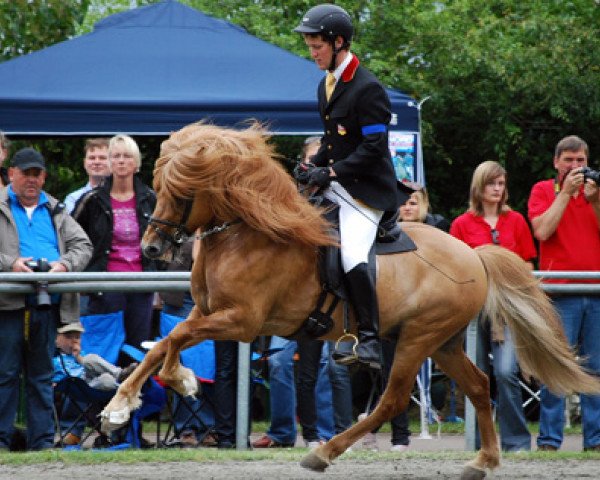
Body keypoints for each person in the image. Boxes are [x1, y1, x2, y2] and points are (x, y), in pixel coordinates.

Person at [294, 4, 401, 370]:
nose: (313, 53)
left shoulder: (368, 88)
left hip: (366, 191)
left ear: (338, 42)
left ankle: (369, 338)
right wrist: (313, 166)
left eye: (317, 46)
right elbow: (333, 140)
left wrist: (332, 172)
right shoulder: (326, 85)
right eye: (309, 46)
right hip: (339, 182)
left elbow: (373, 148)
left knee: (352, 253)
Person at [0, 147, 92, 450]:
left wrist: (63, 265)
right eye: (25, 173)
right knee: (5, 375)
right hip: (7, 305)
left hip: (47, 304)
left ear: (44, 177)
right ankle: (1, 442)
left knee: (41, 377)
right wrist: (10, 263)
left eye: (36, 174)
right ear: (11, 173)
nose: (31, 179)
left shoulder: (56, 209)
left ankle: (40, 444)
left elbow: (83, 245)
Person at [451, 160, 536, 452]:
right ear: (479, 187)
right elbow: (454, 269)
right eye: (491, 184)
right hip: (473, 309)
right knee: (474, 374)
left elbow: (527, 262)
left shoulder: (516, 221)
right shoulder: (462, 224)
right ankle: (478, 441)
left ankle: (517, 443)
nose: (497, 189)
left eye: (501, 184)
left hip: (506, 308)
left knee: (505, 372)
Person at [528, 135, 600, 452]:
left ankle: (595, 439)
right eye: (568, 160)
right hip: (560, 291)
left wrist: (595, 200)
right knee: (555, 366)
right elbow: (542, 230)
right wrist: (566, 195)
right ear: (556, 162)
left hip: (596, 289)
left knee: (596, 368)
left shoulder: (596, 190)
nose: (575, 167)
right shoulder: (543, 190)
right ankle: (549, 440)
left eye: (580, 161)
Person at [72, 134, 157, 359]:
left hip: (142, 284)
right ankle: (103, 394)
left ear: (137, 163)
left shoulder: (151, 199)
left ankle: (134, 393)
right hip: (105, 285)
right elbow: (71, 239)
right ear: (109, 163)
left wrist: (158, 271)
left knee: (137, 352)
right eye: (116, 156)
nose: (121, 161)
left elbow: (170, 239)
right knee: (104, 352)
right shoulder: (91, 200)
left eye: (127, 156)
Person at [159, 235, 216, 448]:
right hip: (179, 298)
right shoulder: (177, 216)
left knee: (213, 363)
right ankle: (187, 429)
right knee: (183, 363)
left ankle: (210, 428)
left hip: (215, 294)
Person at [53, 322, 137, 446]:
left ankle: (121, 376)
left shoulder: (81, 355)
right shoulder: (54, 359)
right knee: (105, 378)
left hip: (91, 381)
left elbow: (89, 367)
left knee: (94, 363)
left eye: (77, 337)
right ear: (57, 341)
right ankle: (122, 381)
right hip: (77, 385)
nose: (74, 341)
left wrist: (79, 358)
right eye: (68, 337)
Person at [64, 138, 110, 214]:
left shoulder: (122, 197)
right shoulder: (73, 199)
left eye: (102, 158)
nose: (97, 162)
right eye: (92, 158)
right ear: (85, 163)